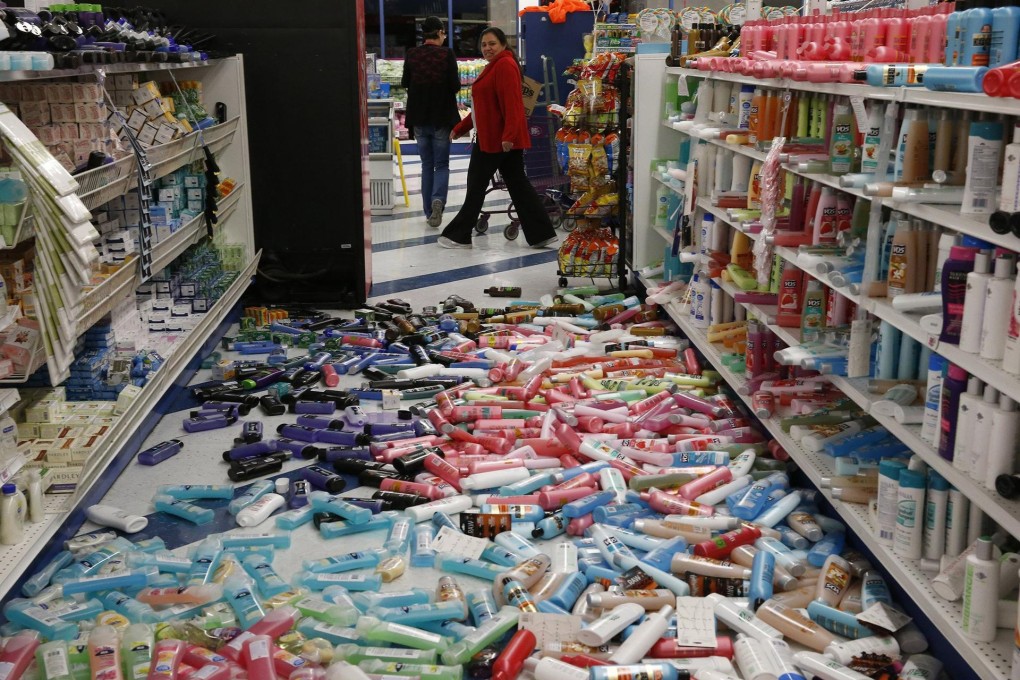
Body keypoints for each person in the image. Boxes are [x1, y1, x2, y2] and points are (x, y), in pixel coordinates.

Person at [437, 27, 558, 250]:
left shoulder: (504, 65)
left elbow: (512, 104)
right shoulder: (495, 66)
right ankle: (542, 233)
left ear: (503, 44)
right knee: (517, 184)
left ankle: (459, 235)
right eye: (484, 45)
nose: (487, 48)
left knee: (476, 185)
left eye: (492, 43)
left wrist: (509, 136)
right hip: (495, 138)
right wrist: (461, 127)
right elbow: (484, 108)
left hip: (497, 140)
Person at [402, 16, 461, 227]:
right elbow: (455, 86)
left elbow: (405, 82)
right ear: (439, 32)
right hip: (441, 118)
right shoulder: (446, 54)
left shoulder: (412, 54)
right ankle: (438, 201)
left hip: (418, 118)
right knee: (441, 164)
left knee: (426, 165)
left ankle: (429, 212)